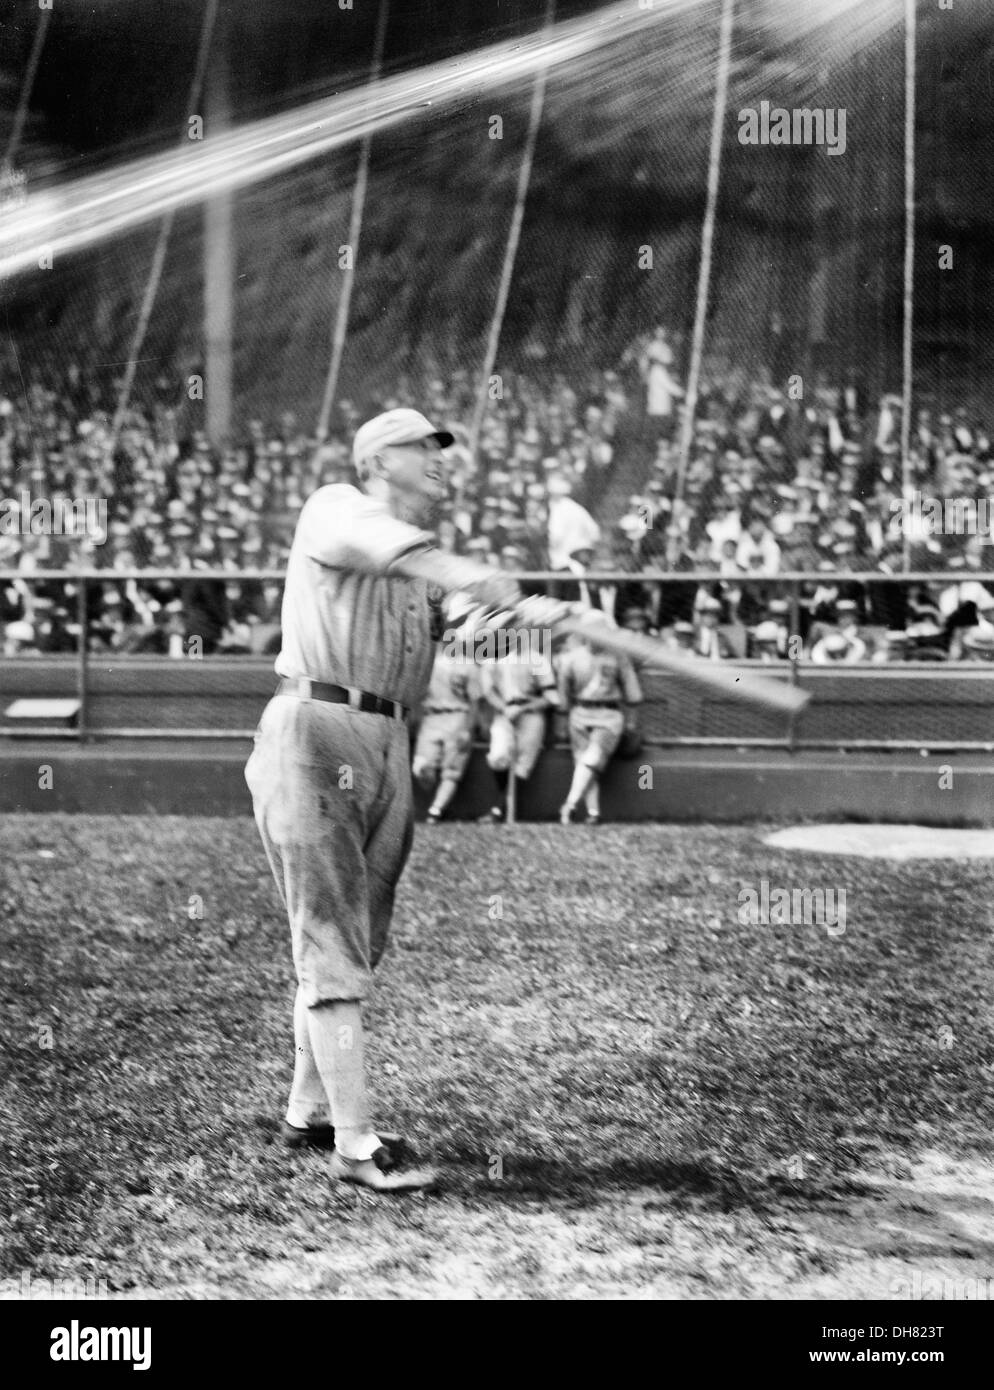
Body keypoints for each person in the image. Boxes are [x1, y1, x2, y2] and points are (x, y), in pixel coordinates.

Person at [245, 407, 522, 1193]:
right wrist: (475, 578)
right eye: (424, 448)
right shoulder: (337, 507)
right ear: (378, 459)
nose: (442, 461)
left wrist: (512, 618)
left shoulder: (419, 571)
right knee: (331, 935)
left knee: (358, 936)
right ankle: (355, 1146)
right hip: (317, 726)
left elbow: (470, 635)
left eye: (444, 451)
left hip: (390, 739)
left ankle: (310, 1114)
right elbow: (404, 554)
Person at [556, 611, 643, 825]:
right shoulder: (571, 658)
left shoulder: (618, 656)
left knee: (591, 759)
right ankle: (593, 813)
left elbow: (634, 695)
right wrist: (560, 724)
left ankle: (569, 804)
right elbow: (563, 698)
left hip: (609, 715)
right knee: (584, 765)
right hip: (579, 714)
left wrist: (631, 723)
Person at [478, 640, 560, 823]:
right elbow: (488, 691)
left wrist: (523, 709)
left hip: (531, 712)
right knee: (498, 757)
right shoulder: (493, 657)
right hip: (504, 711)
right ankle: (502, 805)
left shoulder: (537, 659)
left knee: (524, 763)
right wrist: (505, 708)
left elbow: (551, 697)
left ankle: (499, 809)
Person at [412, 646, 480, 823]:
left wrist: (468, 729)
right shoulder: (426, 663)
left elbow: (474, 701)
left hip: (457, 715)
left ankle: (435, 810)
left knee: (451, 771)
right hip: (431, 716)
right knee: (421, 767)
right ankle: (434, 800)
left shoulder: (467, 664)